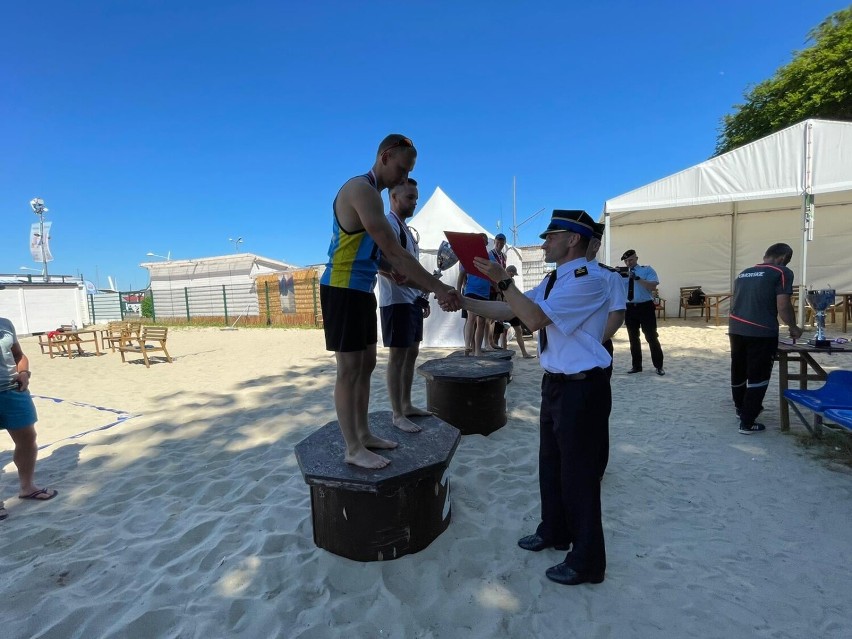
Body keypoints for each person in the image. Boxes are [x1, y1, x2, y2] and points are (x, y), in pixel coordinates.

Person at [443, 209, 611, 586]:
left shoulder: (589, 280)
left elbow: (533, 320)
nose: (545, 241)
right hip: (557, 384)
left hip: (583, 387)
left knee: (580, 476)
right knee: (550, 465)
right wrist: (464, 302)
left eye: (551, 236)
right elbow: (510, 309)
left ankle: (587, 561)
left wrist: (504, 281)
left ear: (572, 240)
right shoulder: (555, 280)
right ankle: (554, 530)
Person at [320, 134, 460, 469]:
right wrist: (439, 289)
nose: (403, 176)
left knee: (366, 366)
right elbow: (394, 250)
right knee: (349, 371)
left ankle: (364, 433)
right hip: (341, 288)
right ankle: (352, 448)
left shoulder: (375, 198)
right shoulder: (361, 189)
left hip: (361, 289)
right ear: (385, 157)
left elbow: (373, 253)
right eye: (401, 168)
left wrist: (385, 270)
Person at [729, 243, 802, 434]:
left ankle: (740, 409)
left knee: (739, 370)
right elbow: (783, 305)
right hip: (761, 331)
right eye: (788, 259)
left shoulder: (744, 273)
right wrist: (793, 327)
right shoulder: (782, 272)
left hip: (736, 328)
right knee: (758, 375)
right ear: (783, 257)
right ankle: (747, 421)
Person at [377, 178, 432, 433]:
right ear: (394, 198)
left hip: (411, 300)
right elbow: (375, 257)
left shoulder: (407, 230)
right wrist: (390, 275)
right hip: (395, 302)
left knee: (412, 354)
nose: (414, 203)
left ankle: (407, 404)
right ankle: (397, 414)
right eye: (410, 198)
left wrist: (422, 296)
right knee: (397, 358)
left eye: (416, 198)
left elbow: (412, 268)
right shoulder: (388, 224)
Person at [1, 315, 58, 521]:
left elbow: (18, 355)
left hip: (13, 390)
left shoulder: (5, 323)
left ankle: (27, 487)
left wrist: (23, 371)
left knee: (27, 440)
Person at [620, 249, 665, 375]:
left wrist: (637, 278)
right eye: (626, 261)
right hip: (629, 307)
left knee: (651, 336)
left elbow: (652, 286)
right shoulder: (622, 273)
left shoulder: (646, 270)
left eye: (631, 260)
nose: (628, 263)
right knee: (633, 338)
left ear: (637, 258)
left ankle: (659, 366)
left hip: (645, 307)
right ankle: (636, 366)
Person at [456, 234, 494, 357]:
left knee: (482, 322)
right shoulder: (469, 255)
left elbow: (494, 275)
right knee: (471, 317)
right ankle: (467, 346)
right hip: (471, 290)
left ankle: (477, 349)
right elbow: (461, 275)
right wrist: (458, 291)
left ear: (486, 244)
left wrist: (499, 290)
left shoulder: (490, 257)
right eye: (480, 241)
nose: (482, 243)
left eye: (484, 241)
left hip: (485, 292)